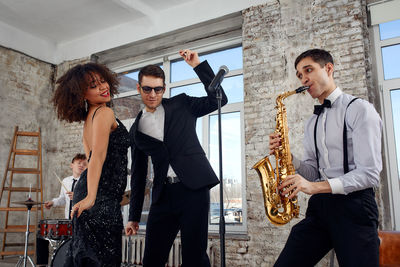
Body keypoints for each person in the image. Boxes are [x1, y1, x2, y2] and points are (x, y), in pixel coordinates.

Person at [269, 49, 382, 267]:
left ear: (328, 68)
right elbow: (312, 170)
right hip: (320, 208)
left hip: (356, 206)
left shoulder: (359, 109)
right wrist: (288, 157)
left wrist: (314, 187)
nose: (303, 79)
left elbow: (369, 174)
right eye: (299, 75)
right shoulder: (312, 121)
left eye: (308, 70)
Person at [125, 49, 228, 267]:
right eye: (147, 89)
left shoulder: (182, 104)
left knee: (194, 257)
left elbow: (219, 99)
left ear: (164, 88)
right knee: (151, 259)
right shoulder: (135, 130)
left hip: (194, 190)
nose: (153, 94)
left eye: (158, 89)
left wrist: (198, 66)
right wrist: (133, 216)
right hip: (163, 196)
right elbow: (138, 174)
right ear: (138, 88)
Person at [52, 62, 130, 266]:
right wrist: (91, 197)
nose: (103, 87)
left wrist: (90, 196)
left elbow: (93, 158)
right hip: (97, 200)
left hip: (94, 195)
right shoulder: (104, 114)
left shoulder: (90, 118)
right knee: (102, 260)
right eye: (93, 85)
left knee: (88, 258)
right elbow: (97, 158)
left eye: (102, 81)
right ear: (81, 95)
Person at [45, 154, 87, 219]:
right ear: (71, 165)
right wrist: (53, 202)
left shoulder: (88, 182)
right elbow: (63, 199)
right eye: (79, 163)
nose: (81, 165)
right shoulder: (65, 181)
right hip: (68, 219)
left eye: (84, 164)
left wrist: (77, 197)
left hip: (83, 218)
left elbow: (91, 200)